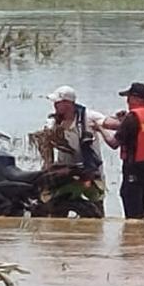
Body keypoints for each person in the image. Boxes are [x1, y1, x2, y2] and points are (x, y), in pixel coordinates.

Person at [98, 81, 144, 219]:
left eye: (129, 98)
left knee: (133, 215)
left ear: (137, 99)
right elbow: (141, 130)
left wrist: (99, 128)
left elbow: (113, 143)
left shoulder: (132, 119)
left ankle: (134, 239)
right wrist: (124, 120)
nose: (127, 102)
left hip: (134, 170)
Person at [40, 85, 109, 216]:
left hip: (90, 172)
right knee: (54, 210)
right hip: (64, 171)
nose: (54, 105)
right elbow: (46, 146)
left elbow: (107, 122)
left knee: (97, 210)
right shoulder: (53, 122)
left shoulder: (89, 117)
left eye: (57, 102)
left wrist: (122, 119)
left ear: (68, 103)